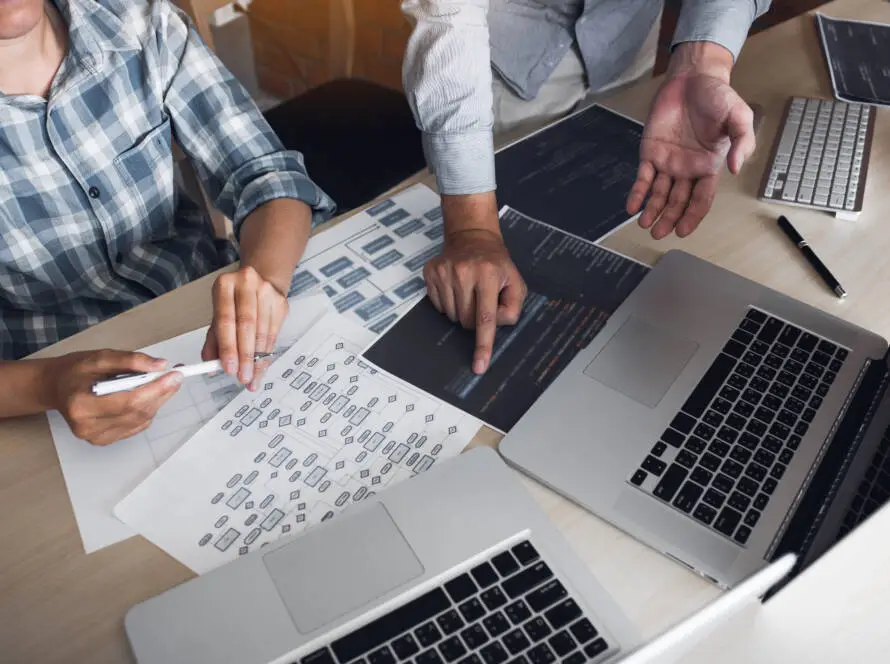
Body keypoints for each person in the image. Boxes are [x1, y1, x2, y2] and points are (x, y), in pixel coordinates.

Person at [0, 0, 335, 444]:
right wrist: (47, 384)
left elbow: (266, 174)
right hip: (48, 389)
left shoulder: (140, 22)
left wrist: (265, 277)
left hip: (203, 313)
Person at [401, 0, 771, 374]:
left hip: (625, 45)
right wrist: (471, 228)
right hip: (496, 65)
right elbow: (450, 16)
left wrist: (702, 61)